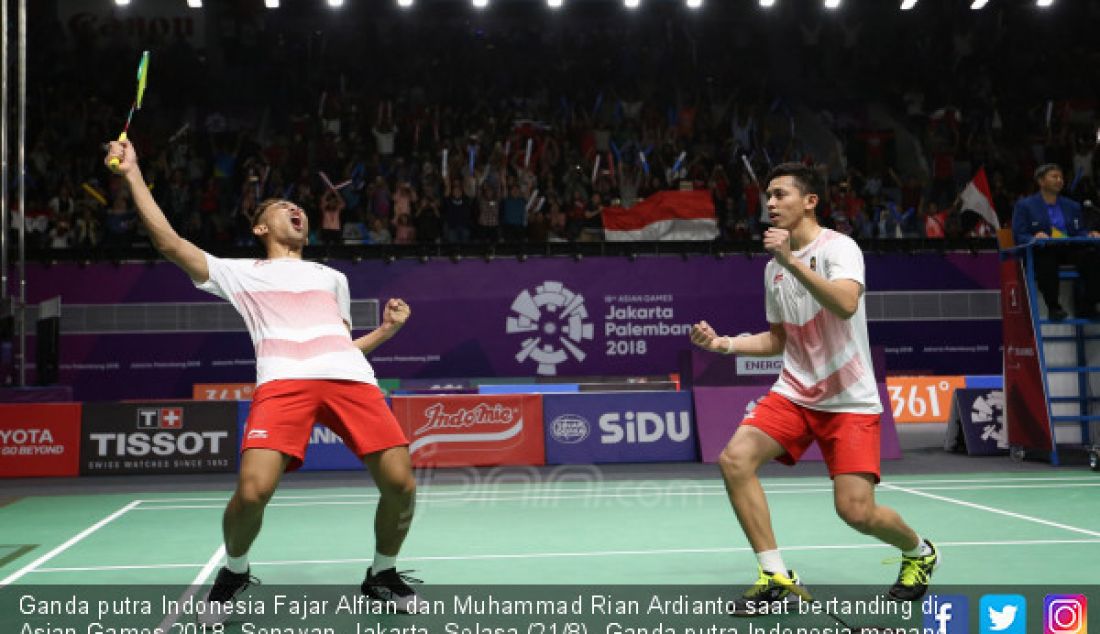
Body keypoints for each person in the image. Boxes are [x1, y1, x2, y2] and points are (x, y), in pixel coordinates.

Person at [104, 139, 422, 616]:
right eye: (282, 206)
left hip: (351, 380)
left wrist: (386, 331)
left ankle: (382, 573)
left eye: (299, 206)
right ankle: (234, 571)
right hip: (283, 384)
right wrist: (132, 174)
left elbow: (337, 345)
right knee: (253, 491)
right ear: (259, 226)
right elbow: (169, 242)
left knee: (401, 485)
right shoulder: (240, 273)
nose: (296, 208)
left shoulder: (332, 278)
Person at [689, 162, 938, 612]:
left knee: (856, 512)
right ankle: (775, 574)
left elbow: (844, 303)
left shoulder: (840, 248)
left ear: (810, 202)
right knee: (735, 460)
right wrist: (723, 343)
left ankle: (918, 551)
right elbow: (778, 340)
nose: (770, 203)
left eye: (781, 194)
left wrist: (792, 262)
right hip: (795, 393)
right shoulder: (773, 271)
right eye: (768, 195)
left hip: (851, 401)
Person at [1011, 163, 1100, 321]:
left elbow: (1078, 232)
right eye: (1054, 176)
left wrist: (1089, 234)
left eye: (1061, 177)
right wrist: (1034, 237)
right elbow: (1019, 234)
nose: (1059, 180)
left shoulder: (1072, 205)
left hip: (1069, 248)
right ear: (1041, 181)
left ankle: (1089, 304)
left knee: (1093, 257)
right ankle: (1054, 307)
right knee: (1047, 260)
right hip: (1043, 250)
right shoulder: (1025, 205)